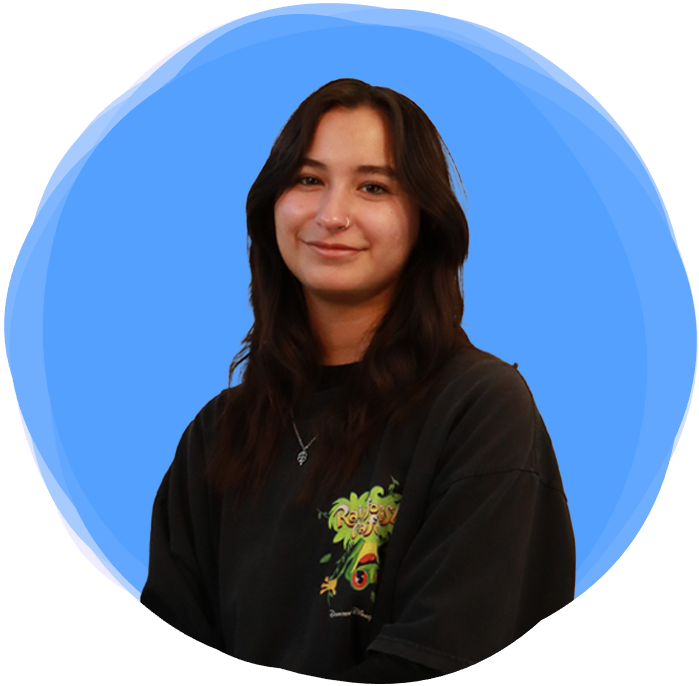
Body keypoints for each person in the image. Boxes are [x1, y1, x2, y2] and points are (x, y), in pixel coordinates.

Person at [141, 78, 575, 681]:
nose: (332, 215)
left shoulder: (480, 410)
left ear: (425, 220)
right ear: (270, 207)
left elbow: (443, 655)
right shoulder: (217, 435)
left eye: (373, 186)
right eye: (307, 180)